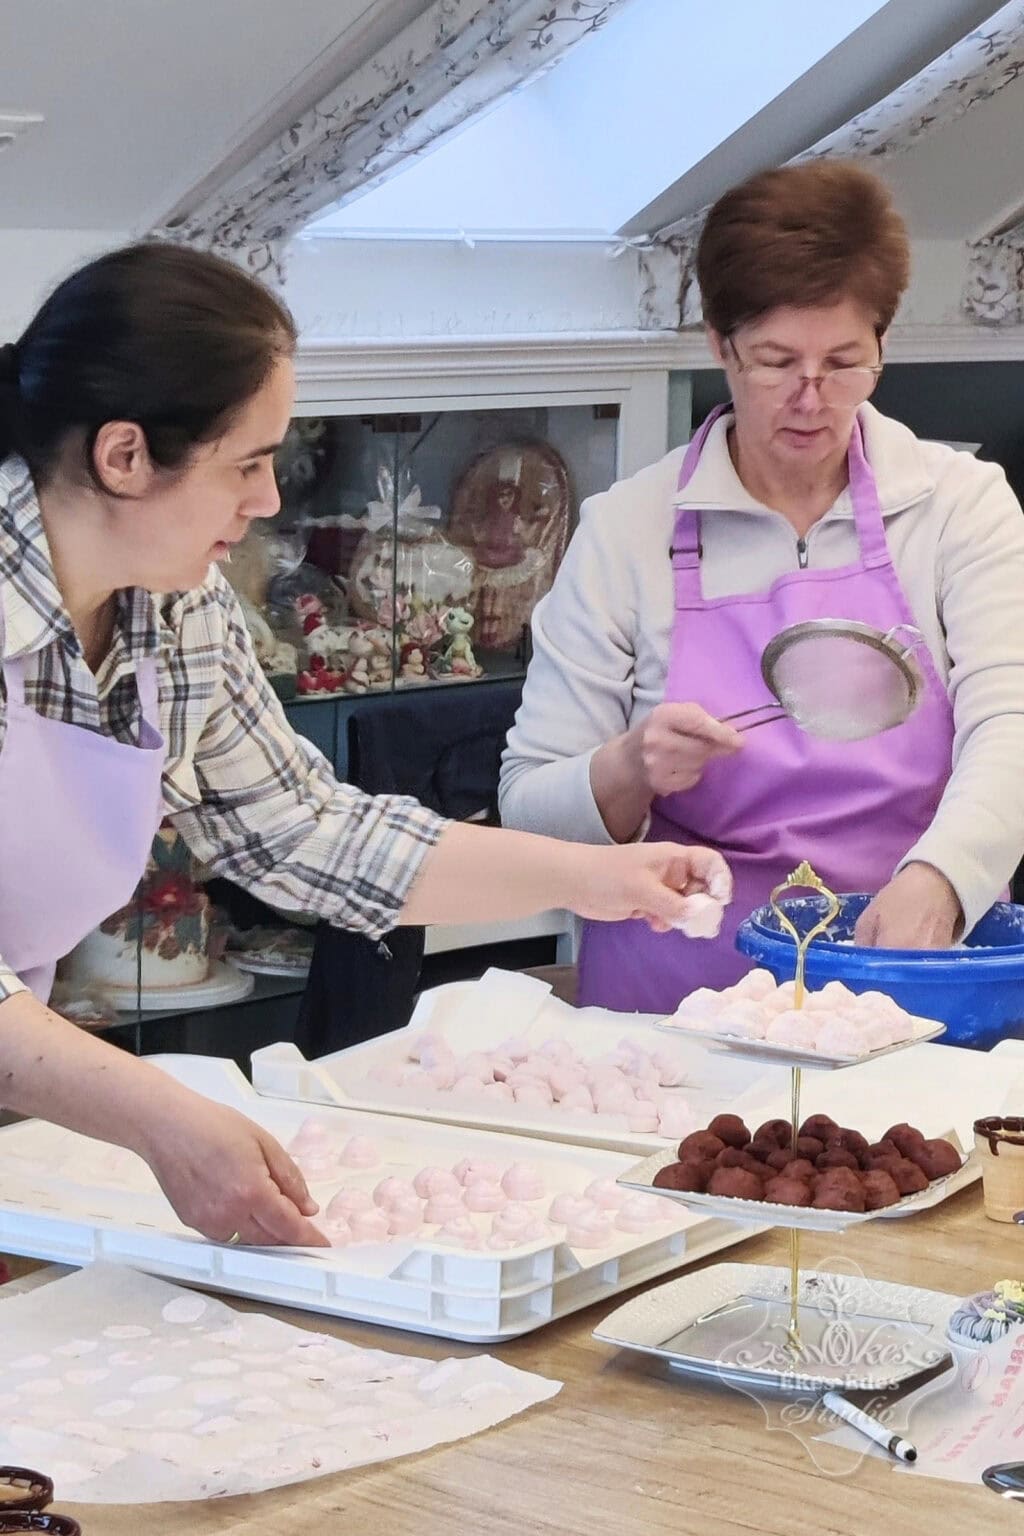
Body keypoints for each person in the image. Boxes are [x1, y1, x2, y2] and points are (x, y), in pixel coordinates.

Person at [0, 243, 730, 1246]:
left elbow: (310, 835)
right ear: (123, 457)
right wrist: (161, 1120)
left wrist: (592, 877)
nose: (267, 502)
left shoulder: (180, 615)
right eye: (246, 464)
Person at [500, 160, 1024, 1013]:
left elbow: (1014, 722)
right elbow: (527, 807)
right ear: (719, 344)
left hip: (908, 974)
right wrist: (630, 767)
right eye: (776, 362)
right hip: (676, 1007)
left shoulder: (959, 506)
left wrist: (943, 878)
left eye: (846, 363)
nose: (812, 400)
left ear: (884, 346)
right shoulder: (628, 527)